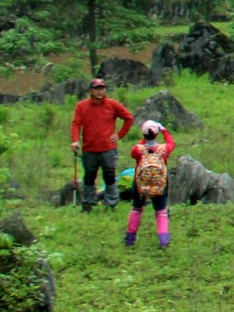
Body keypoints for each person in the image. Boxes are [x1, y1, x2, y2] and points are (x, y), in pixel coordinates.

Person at [70, 77, 134, 211]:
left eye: (102, 88)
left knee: (109, 175)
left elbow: (128, 118)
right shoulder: (81, 106)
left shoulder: (112, 104)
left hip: (108, 148)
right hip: (89, 148)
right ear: (91, 91)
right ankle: (88, 202)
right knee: (89, 176)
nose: (99, 92)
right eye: (96, 89)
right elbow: (76, 124)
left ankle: (110, 203)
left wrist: (119, 134)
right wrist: (75, 140)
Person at [125, 120, 175, 248]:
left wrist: (144, 139)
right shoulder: (164, 149)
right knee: (161, 212)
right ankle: (164, 241)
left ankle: (130, 240)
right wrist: (163, 129)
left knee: (136, 209)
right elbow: (171, 143)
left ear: (143, 134)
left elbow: (135, 151)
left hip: (140, 184)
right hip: (159, 184)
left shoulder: (138, 150)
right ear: (157, 134)